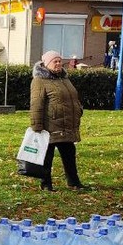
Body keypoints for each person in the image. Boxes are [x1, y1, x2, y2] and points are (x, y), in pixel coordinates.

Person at [29, 49, 84, 191]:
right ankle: (46, 183)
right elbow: (36, 104)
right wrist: (36, 126)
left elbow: (73, 98)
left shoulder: (64, 78)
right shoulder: (40, 81)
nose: (58, 64)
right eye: (55, 61)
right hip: (50, 125)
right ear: (47, 64)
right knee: (47, 156)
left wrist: (79, 109)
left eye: (60, 61)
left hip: (66, 125)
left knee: (69, 154)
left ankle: (74, 182)